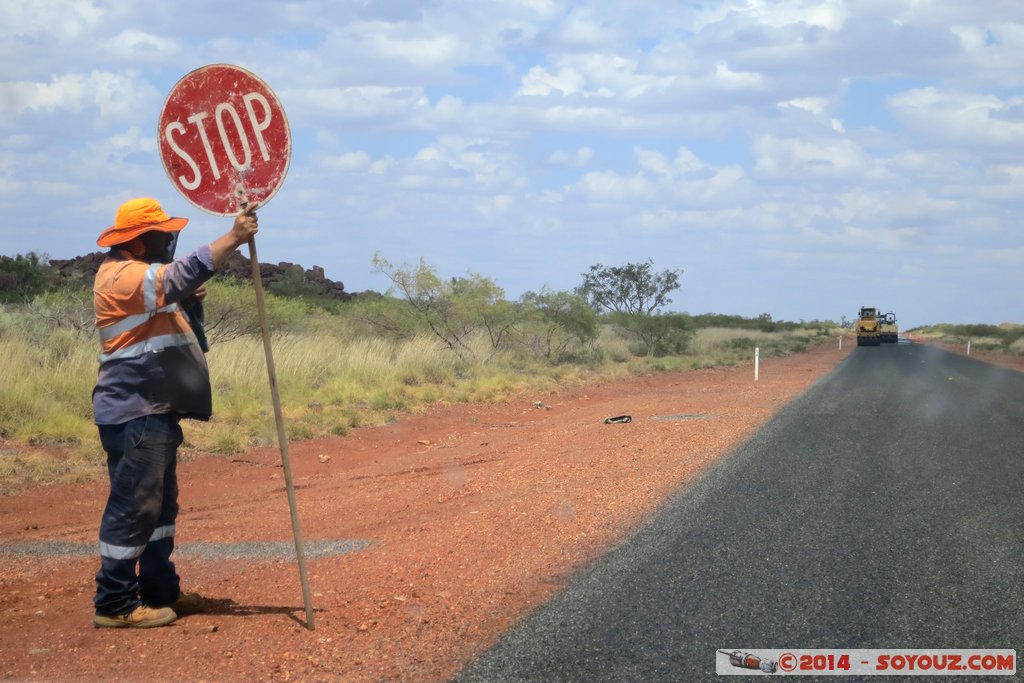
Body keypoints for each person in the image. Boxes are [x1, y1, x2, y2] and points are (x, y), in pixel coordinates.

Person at [90, 197, 258, 628]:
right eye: (161, 233)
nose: (168, 238)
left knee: (158, 510)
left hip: (153, 411)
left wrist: (187, 299)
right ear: (139, 240)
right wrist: (235, 238)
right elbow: (177, 274)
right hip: (136, 413)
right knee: (133, 508)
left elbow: (174, 305)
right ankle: (114, 605)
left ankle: (161, 591)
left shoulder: (141, 276)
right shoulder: (121, 276)